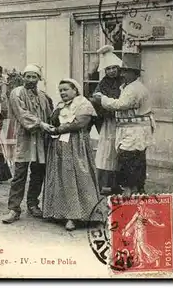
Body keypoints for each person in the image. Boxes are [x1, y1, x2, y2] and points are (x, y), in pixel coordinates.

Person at [42, 79, 101, 231]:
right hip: (60, 145)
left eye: (66, 89)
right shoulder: (60, 106)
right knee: (61, 177)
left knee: (78, 176)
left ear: (75, 90)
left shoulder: (84, 104)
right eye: (60, 90)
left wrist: (57, 130)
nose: (62, 93)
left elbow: (79, 124)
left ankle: (76, 216)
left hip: (76, 145)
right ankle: (60, 212)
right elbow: (53, 121)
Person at [93, 58, 155, 196]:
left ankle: (130, 189)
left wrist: (102, 99)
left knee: (129, 159)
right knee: (132, 159)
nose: (123, 74)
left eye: (127, 72)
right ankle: (135, 188)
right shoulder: (127, 87)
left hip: (134, 131)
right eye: (123, 71)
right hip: (129, 129)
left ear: (135, 74)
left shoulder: (134, 89)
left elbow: (120, 105)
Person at [2, 64, 54, 224]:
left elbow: (50, 114)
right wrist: (40, 123)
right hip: (23, 137)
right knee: (19, 173)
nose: (31, 80)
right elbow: (22, 114)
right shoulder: (16, 93)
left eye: (34, 77)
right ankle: (14, 208)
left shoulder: (43, 96)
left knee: (38, 172)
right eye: (28, 76)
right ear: (23, 77)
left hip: (40, 138)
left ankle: (33, 203)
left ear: (39, 78)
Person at [91, 45, 124, 195]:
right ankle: (103, 183)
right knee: (106, 151)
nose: (111, 71)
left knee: (119, 151)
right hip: (109, 122)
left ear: (118, 68)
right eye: (108, 68)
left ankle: (117, 184)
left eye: (114, 68)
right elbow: (96, 100)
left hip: (122, 121)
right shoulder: (102, 84)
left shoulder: (123, 82)